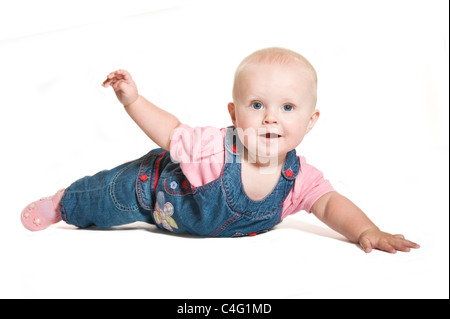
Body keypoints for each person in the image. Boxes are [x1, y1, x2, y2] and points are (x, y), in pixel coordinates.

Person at [21, 47, 419, 254]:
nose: (270, 119)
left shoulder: (299, 179)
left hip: (187, 220)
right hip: (153, 193)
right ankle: (64, 202)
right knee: (107, 200)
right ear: (234, 111)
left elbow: (331, 205)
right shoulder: (212, 148)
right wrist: (132, 100)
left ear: (311, 121)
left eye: (287, 107)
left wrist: (367, 230)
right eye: (257, 105)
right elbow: (170, 131)